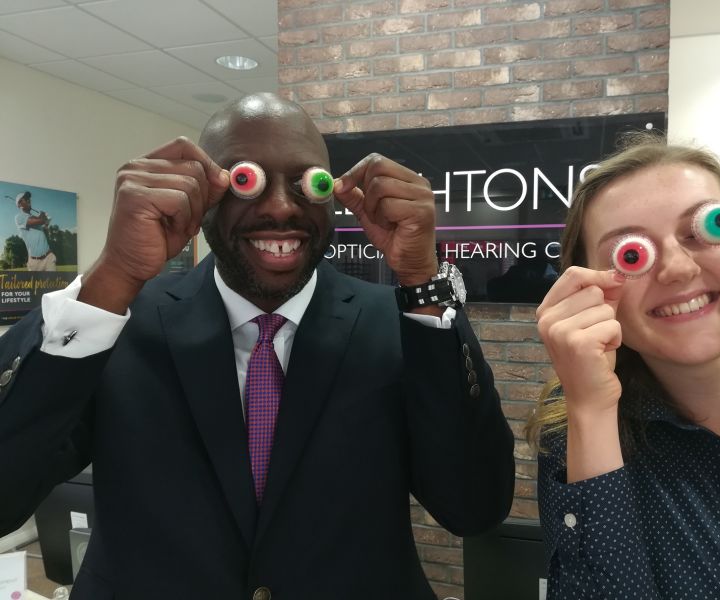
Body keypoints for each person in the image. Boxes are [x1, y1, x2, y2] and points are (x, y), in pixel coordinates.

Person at [0, 93, 515, 599]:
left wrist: (422, 281)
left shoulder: (398, 323)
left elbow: (474, 507)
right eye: (246, 181)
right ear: (201, 194)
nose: (280, 208)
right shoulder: (116, 320)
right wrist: (112, 275)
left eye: (306, 183)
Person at [526, 134, 720, 599]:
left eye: (704, 229)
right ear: (587, 291)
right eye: (631, 255)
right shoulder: (573, 429)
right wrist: (589, 412)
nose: (676, 269)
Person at [14, 190, 56, 271]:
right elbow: (40, 220)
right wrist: (43, 215)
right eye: (25, 199)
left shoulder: (34, 217)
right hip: (34, 263)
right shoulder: (19, 217)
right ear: (19, 204)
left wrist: (46, 224)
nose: (28, 200)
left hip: (48, 258)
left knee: (54, 283)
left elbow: (42, 231)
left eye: (28, 198)